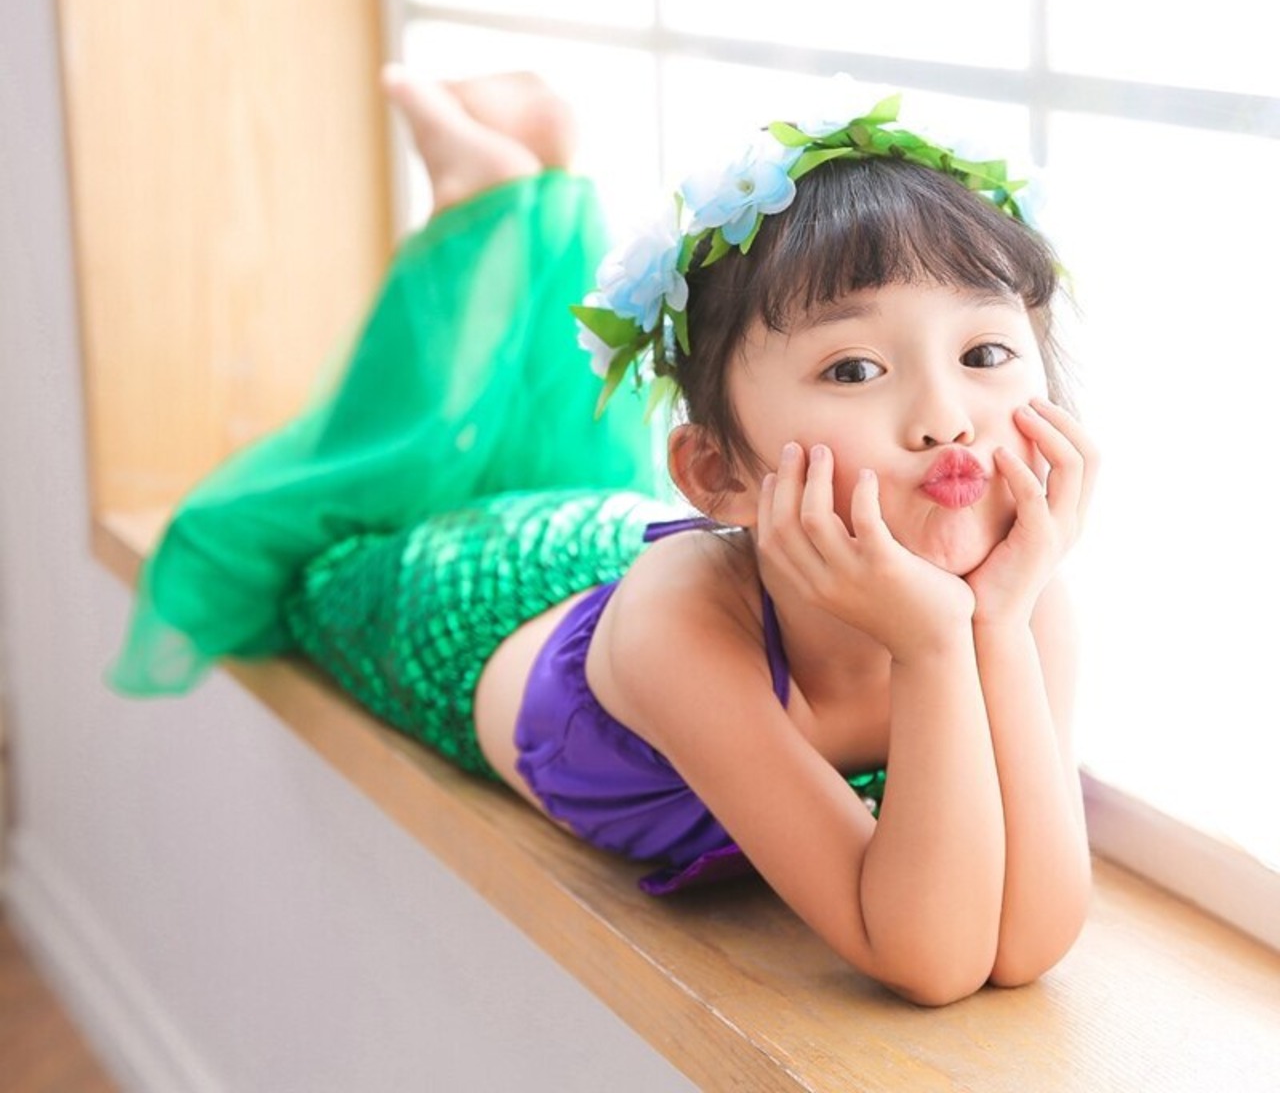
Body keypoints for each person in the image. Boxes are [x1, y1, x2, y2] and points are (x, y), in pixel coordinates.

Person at [110, 67, 1097, 1007]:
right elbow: (928, 958)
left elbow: (1026, 942)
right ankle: (494, 204)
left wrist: (994, 625)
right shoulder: (680, 623)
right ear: (717, 475)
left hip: (628, 542)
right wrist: (935, 644)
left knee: (557, 449)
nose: (944, 420)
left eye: (984, 351)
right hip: (477, 596)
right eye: (853, 369)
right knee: (377, 494)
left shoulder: (1016, 596)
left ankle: (506, 184)